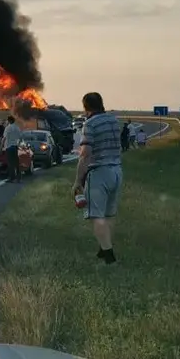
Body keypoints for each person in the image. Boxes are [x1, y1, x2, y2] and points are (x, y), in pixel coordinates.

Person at [72, 92, 122, 265]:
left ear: (86, 106)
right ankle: (103, 249)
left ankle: (109, 257)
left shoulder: (90, 124)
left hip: (99, 172)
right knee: (109, 214)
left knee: (97, 216)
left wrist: (78, 180)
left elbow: (85, 154)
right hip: (116, 171)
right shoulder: (113, 120)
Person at [0, 114, 22, 183]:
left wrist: (1, 147)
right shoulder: (17, 128)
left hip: (9, 147)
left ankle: (11, 178)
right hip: (15, 147)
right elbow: (20, 138)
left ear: (9, 121)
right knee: (16, 163)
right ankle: (18, 177)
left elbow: (4, 138)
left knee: (10, 163)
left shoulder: (8, 128)